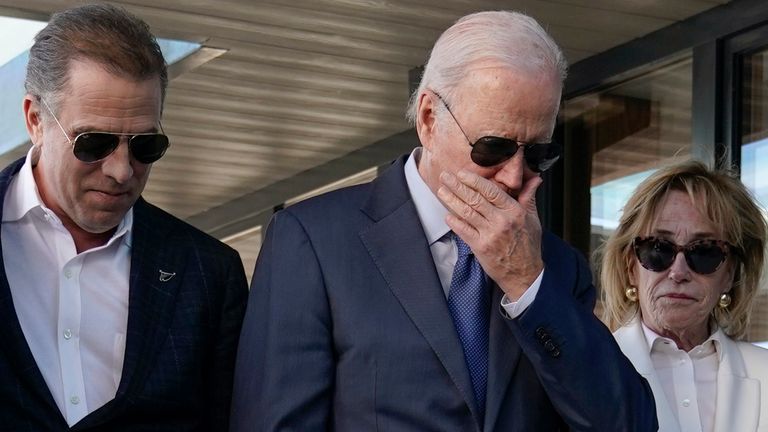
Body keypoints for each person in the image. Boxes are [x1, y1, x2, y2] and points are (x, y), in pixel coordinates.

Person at [232, 10, 657, 431]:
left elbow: (626, 424)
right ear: (429, 119)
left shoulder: (555, 269)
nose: (513, 176)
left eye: (537, 154)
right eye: (493, 148)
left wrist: (528, 285)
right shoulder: (315, 242)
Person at [0, 4, 248, 430]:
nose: (121, 170)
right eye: (94, 143)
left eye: (145, 146)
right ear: (35, 120)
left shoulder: (208, 274)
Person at [601, 160, 768, 431]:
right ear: (631, 267)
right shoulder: (589, 371)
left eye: (704, 252)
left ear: (730, 274)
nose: (678, 272)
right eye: (658, 249)